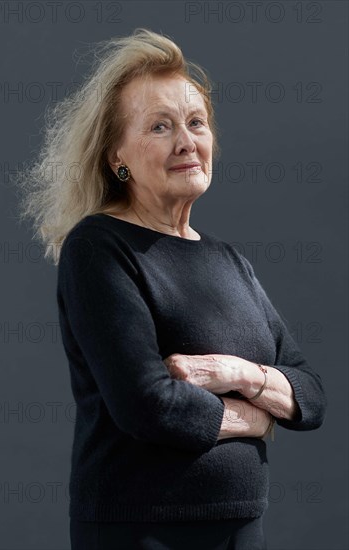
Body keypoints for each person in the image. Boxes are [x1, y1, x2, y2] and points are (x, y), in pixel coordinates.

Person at [16, 28, 327, 550]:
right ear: (117, 155)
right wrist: (256, 417)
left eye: (196, 123)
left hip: (242, 525)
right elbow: (148, 405)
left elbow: (311, 396)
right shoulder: (99, 247)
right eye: (160, 127)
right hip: (144, 530)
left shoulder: (229, 261)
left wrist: (233, 373)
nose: (186, 141)